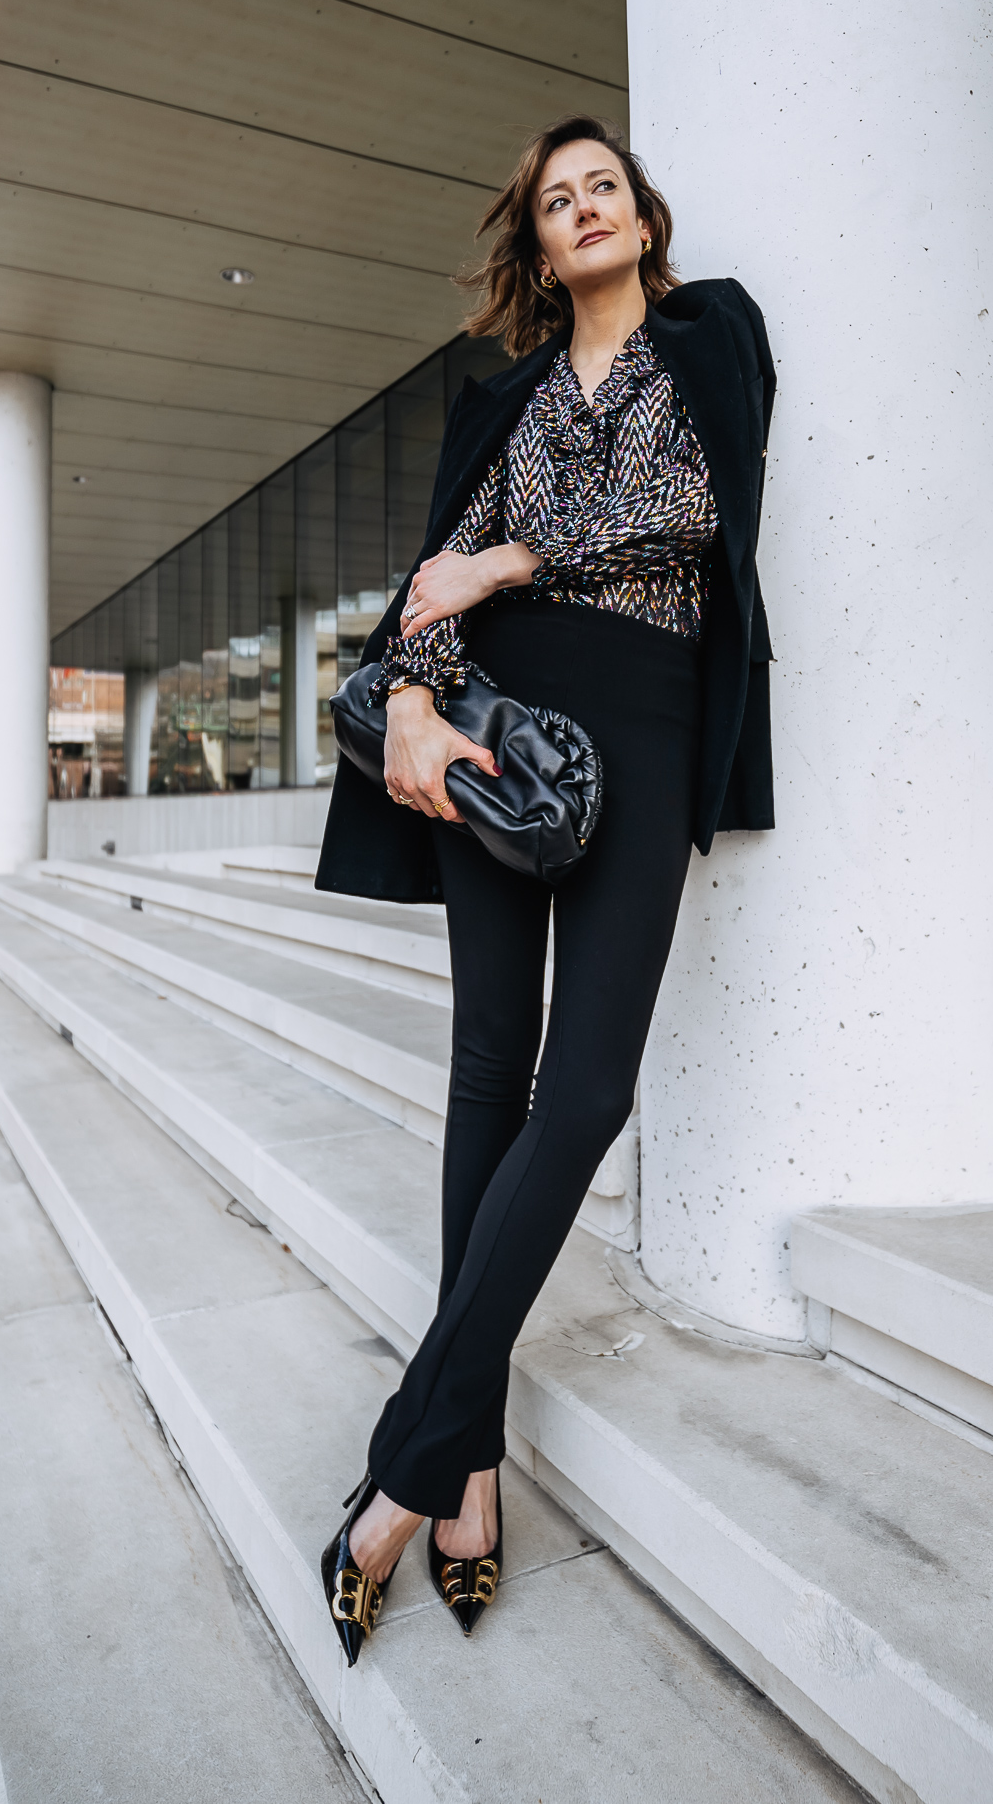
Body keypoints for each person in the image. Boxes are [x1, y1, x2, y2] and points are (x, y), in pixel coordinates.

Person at [315, 112, 776, 1664]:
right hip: (493, 737)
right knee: (484, 1079)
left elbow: (701, 514)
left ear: (642, 215)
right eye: (556, 198)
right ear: (539, 238)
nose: (583, 208)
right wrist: (420, 708)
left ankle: (405, 1456)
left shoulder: (713, 342)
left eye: (603, 187)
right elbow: (429, 583)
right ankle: (474, 1466)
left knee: (584, 1092)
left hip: (641, 723)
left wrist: (511, 565)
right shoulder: (505, 397)